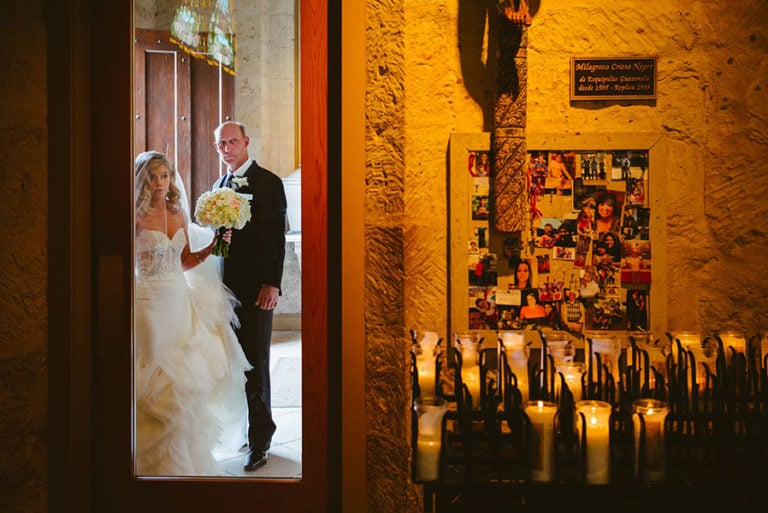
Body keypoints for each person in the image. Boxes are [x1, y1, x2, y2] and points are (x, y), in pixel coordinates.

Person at [134, 151, 251, 475]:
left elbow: (184, 260)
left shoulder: (177, 212)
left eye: (165, 176)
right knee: (154, 369)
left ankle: (180, 458)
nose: (160, 182)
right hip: (148, 300)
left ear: (172, 179)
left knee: (182, 376)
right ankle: (146, 462)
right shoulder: (136, 217)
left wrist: (213, 245)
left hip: (177, 299)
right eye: (154, 176)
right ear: (144, 180)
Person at [212, 121, 288, 471]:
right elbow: (224, 244)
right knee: (234, 366)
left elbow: (275, 238)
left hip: (257, 291)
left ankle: (261, 441)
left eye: (232, 141)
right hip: (225, 290)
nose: (226, 148)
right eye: (221, 143)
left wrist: (272, 283)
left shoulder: (268, 183)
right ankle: (243, 431)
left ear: (246, 142)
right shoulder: (219, 185)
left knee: (256, 366)